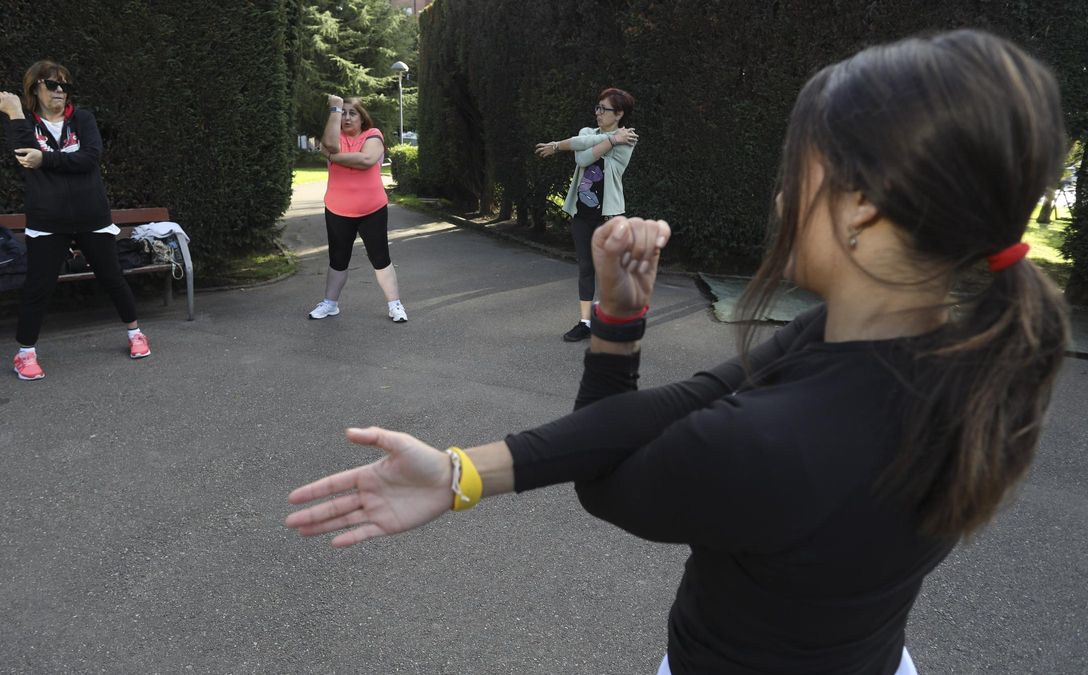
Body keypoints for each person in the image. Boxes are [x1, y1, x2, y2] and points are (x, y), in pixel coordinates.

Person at [286, 30, 1071, 674]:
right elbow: (688, 398)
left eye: (797, 167)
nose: (777, 196)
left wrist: (615, 334)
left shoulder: (776, 441)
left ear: (861, 204)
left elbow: (609, 482)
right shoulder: (964, 354)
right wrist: (461, 471)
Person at [0, 60, 149, 381]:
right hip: (47, 220)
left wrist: (45, 158)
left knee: (112, 277)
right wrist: (16, 113)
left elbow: (90, 157)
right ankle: (25, 354)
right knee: (38, 287)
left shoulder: (83, 119)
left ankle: (136, 334)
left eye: (65, 86)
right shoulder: (26, 123)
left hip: (92, 216)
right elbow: (25, 157)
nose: (60, 91)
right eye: (51, 84)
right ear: (35, 88)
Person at [535, 88, 638, 342]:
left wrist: (561, 145)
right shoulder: (588, 133)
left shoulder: (630, 139)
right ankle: (585, 322)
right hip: (582, 215)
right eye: (598, 108)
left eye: (605, 109)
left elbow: (587, 153)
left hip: (608, 217)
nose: (599, 113)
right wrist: (612, 140)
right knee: (585, 269)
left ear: (620, 113)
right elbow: (583, 158)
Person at [309, 95, 408, 323]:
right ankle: (330, 304)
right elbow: (331, 144)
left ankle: (395, 305)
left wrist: (333, 157)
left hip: (372, 210)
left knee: (380, 258)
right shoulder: (334, 137)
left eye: (352, 113)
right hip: (337, 209)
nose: (346, 117)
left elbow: (366, 160)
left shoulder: (372, 135)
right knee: (338, 259)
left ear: (362, 118)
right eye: (341, 113)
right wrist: (334, 108)